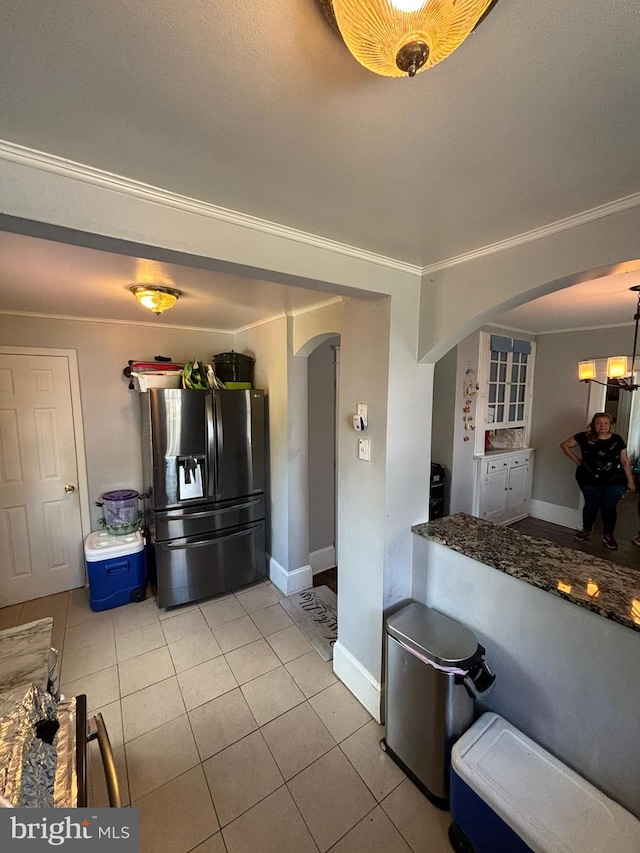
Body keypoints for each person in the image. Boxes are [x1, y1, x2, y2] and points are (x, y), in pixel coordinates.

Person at [560, 412, 636, 550]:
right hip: (588, 478)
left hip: (614, 480)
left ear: (611, 425)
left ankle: (608, 535)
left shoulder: (617, 439)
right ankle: (586, 530)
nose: (602, 426)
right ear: (594, 425)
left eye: (606, 423)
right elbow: (564, 445)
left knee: (609, 507)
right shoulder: (584, 437)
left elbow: (624, 461)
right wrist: (577, 461)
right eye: (599, 423)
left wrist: (630, 481)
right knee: (591, 505)